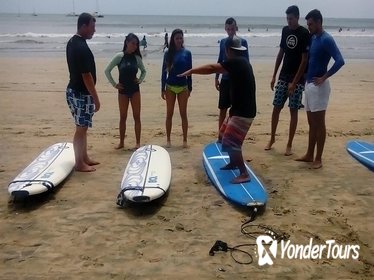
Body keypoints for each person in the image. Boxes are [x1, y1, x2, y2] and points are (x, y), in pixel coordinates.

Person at [179, 36, 256, 183]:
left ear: (227, 50)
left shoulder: (237, 62)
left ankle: (244, 173)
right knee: (223, 135)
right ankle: (233, 162)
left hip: (244, 111)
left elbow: (212, 68)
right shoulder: (241, 62)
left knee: (231, 141)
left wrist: (192, 71)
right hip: (238, 109)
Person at [296, 9, 345, 169]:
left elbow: (339, 60)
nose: (308, 27)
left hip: (319, 86)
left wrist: (325, 77)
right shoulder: (313, 38)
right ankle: (310, 154)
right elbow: (310, 60)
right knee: (311, 123)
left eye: (310, 24)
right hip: (309, 85)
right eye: (307, 24)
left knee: (319, 123)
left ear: (318, 22)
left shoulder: (326, 39)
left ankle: (319, 158)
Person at [264, 5, 310, 156]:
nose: (289, 21)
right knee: (276, 107)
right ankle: (272, 138)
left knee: (293, 110)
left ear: (297, 17)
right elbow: (281, 53)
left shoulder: (304, 33)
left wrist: (295, 82)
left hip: (297, 78)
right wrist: (274, 75)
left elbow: (304, 60)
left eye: (291, 19)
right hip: (283, 76)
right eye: (287, 19)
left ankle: (289, 144)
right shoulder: (285, 30)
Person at [66, 13, 100, 172]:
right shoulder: (80, 47)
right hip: (81, 93)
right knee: (81, 128)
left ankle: (84, 157)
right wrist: (96, 97)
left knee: (83, 127)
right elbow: (86, 76)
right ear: (84, 26)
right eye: (92, 27)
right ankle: (79, 163)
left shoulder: (73, 42)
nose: (94, 30)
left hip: (74, 90)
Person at [104, 33, 146, 150]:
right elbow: (107, 70)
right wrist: (114, 84)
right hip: (122, 91)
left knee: (137, 117)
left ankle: (137, 143)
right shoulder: (119, 56)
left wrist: (140, 80)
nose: (135, 46)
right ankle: (121, 142)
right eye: (133, 43)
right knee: (123, 117)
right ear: (127, 43)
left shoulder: (137, 58)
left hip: (135, 90)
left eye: (136, 44)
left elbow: (144, 71)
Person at [215, 17, 249, 142]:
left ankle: (232, 135)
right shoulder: (223, 42)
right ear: (225, 29)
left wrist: (245, 80)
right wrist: (216, 77)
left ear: (236, 28)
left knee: (235, 110)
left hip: (237, 80)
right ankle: (220, 136)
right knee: (222, 108)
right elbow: (220, 60)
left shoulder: (242, 42)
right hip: (225, 79)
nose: (230, 31)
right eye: (228, 29)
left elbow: (246, 61)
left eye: (232, 28)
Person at [161, 29, 192, 148]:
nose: (179, 40)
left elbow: (190, 71)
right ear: (173, 40)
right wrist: (162, 88)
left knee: (183, 114)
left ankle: (184, 140)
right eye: (177, 38)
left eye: (181, 38)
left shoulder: (187, 53)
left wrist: (190, 87)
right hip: (170, 87)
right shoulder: (168, 53)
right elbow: (164, 72)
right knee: (169, 114)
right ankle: (168, 140)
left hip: (183, 87)